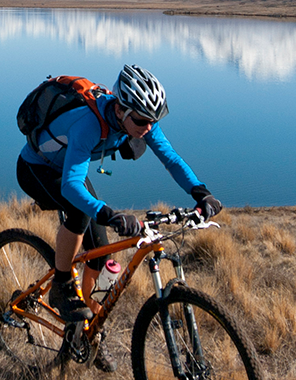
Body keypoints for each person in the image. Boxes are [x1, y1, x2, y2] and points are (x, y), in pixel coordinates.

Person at [16, 64, 223, 325]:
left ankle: (86, 329)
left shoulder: (142, 119)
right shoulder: (88, 124)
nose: (147, 128)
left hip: (67, 168)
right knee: (80, 210)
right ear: (120, 109)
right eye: (140, 121)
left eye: (153, 121)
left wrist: (200, 192)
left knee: (102, 255)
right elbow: (70, 186)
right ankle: (61, 283)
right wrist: (110, 215)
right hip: (36, 169)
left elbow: (170, 158)